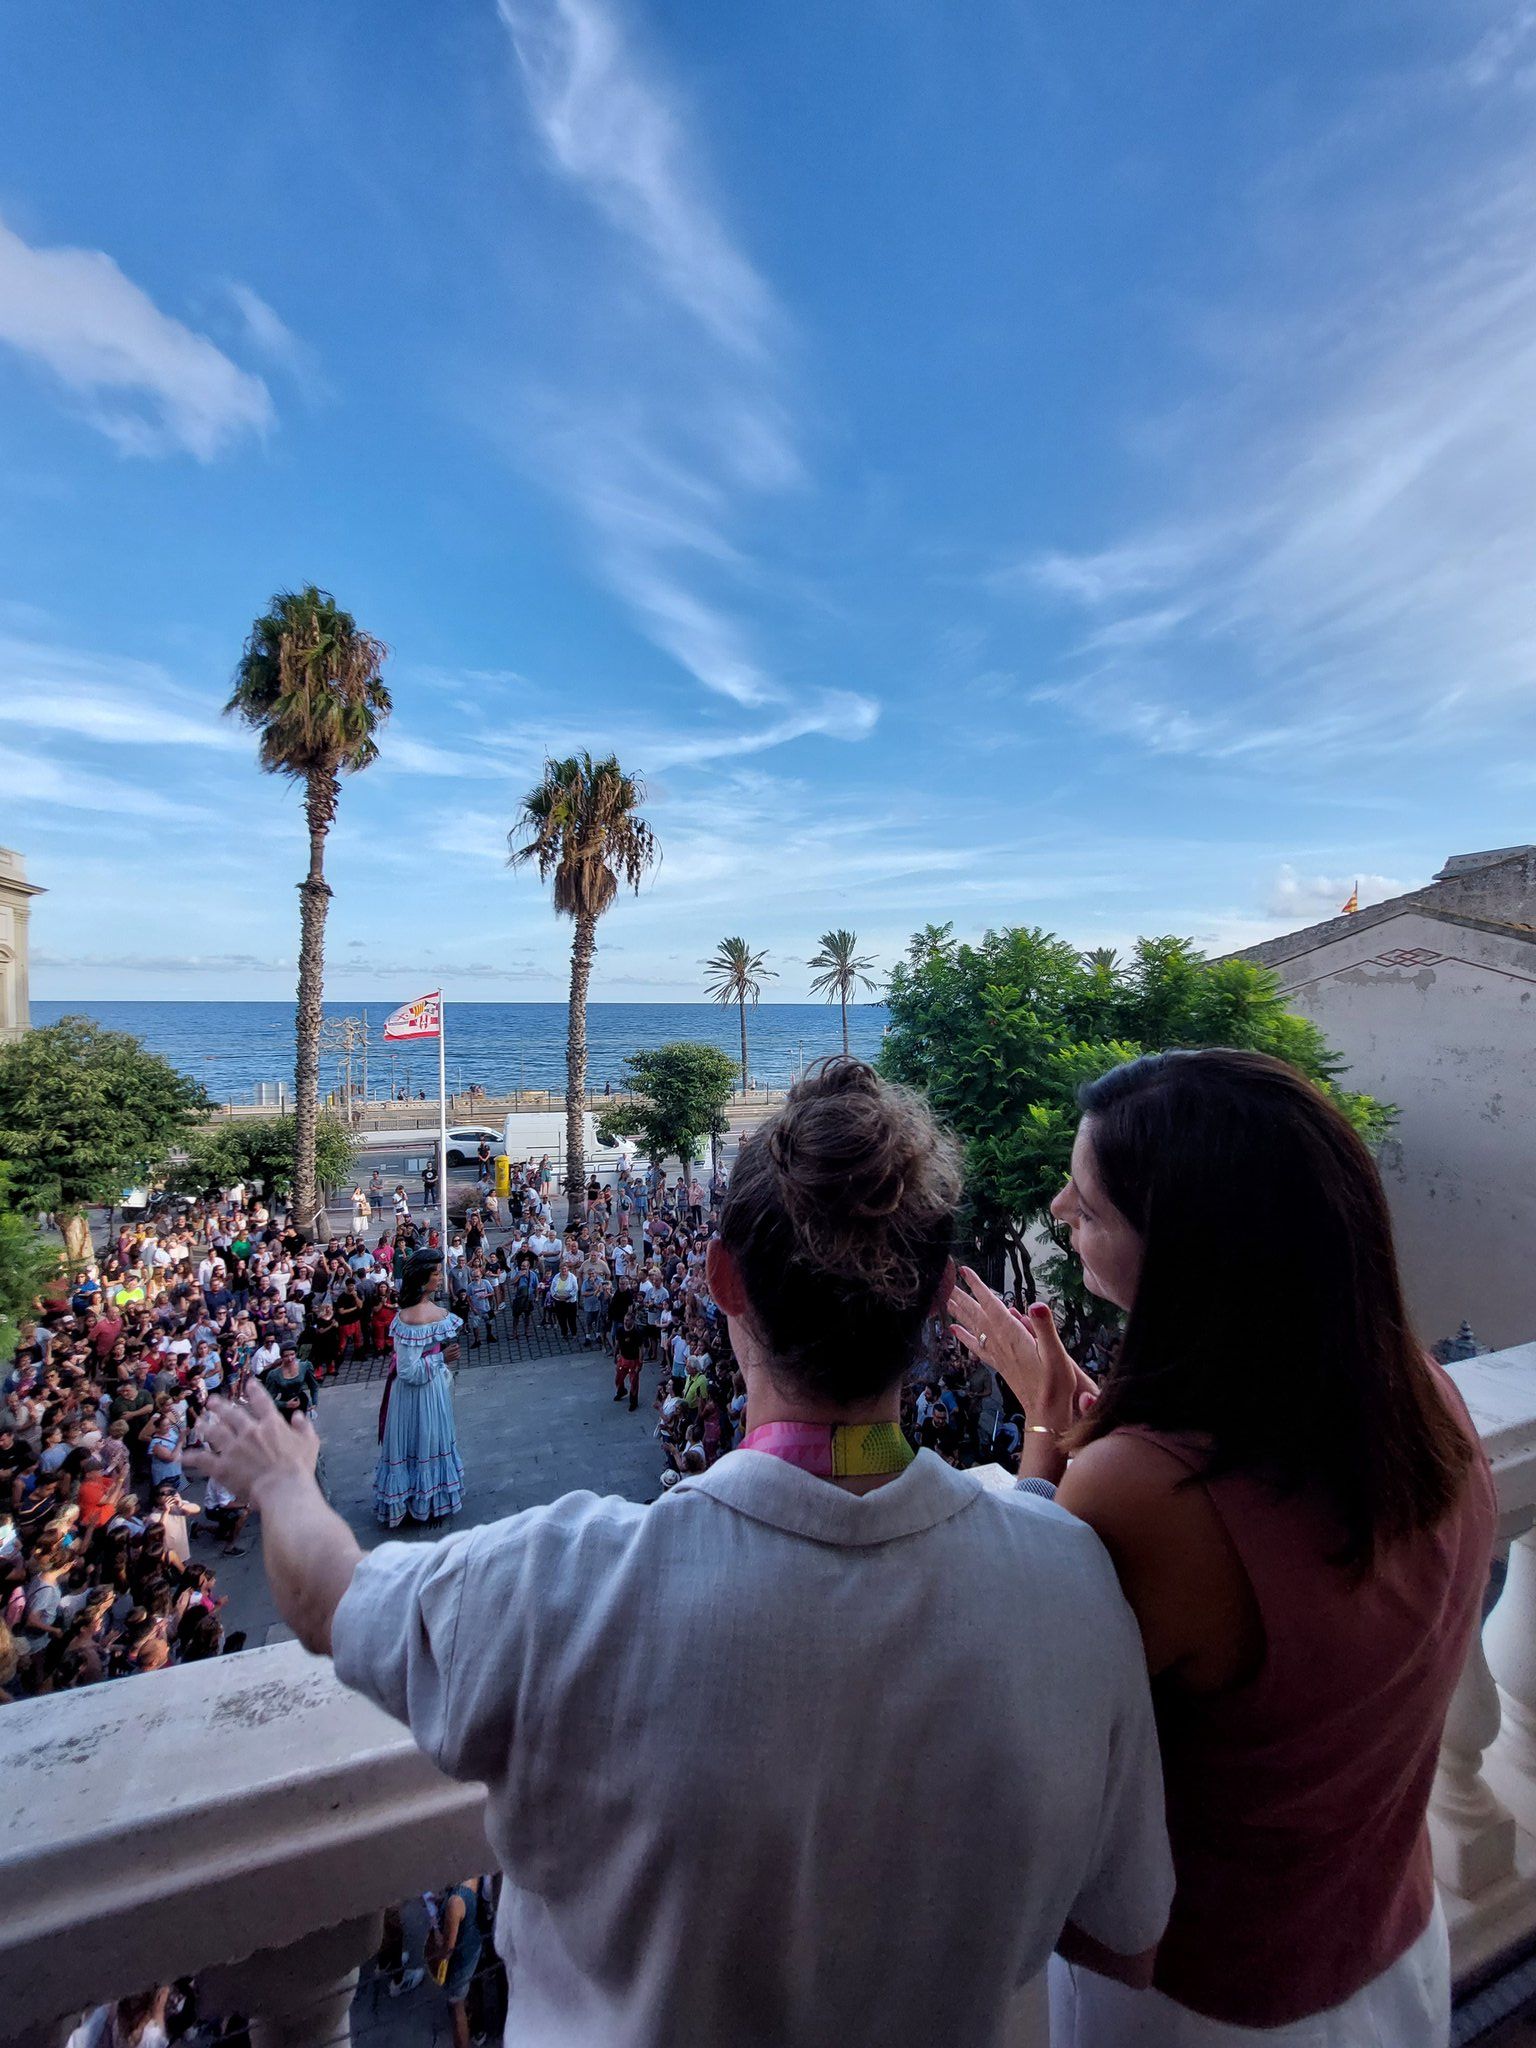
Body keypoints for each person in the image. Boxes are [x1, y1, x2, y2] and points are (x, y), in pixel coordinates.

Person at [191, 1058, 1171, 2047]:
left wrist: (280, 1478)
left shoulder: (564, 1585)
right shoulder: (1072, 1585)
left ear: (722, 1277)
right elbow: (1125, 1934)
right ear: (932, 1304)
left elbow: (325, 1597)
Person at [949, 1048, 1496, 2048]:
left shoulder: (1149, 1492)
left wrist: (1043, 1433)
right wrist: (1094, 1423)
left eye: (1091, 1202)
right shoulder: (1419, 1396)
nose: (1061, 1209)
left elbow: (1017, 1681)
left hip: (1210, 1999)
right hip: (1391, 1944)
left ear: (1193, 1251)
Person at [371, 1251, 464, 1529]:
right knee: (424, 1438)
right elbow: (408, 1370)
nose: (439, 1277)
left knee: (429, 1438)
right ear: (422, 1280)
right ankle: (421, 1502)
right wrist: (441, 1358)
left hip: (429, 1388)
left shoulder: (416, 1315)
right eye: (435, 1273)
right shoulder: (415, 1318)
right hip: (418, 1393)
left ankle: (427, 1500)